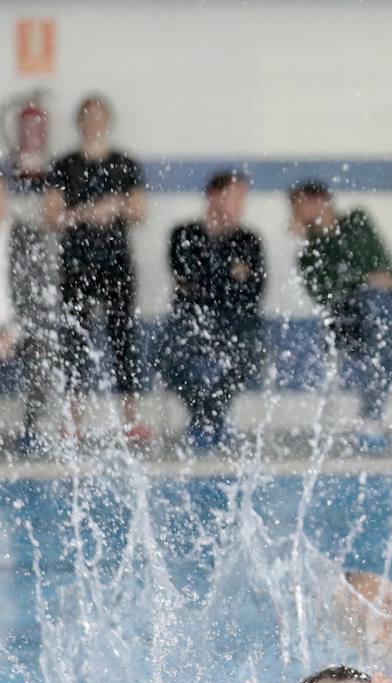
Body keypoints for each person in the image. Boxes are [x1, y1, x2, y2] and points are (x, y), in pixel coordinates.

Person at [42, 95, 150, 444]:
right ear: (79, 122)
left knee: (123, 340)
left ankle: (131, 420)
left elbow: (139, 212)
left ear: (108, 121)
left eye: (99, 116)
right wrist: (89, 212)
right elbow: (51, 217)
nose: (94, 122)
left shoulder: (125, 164)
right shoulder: (64, 165)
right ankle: (74, 421)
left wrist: (116, 206)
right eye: (88, 116)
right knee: (75, 340)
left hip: (116, 264)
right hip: (76, 265)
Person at [289, 181, 392, 453]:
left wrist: (359, 279)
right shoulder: (307, 254)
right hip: (348, 323)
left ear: (324, 201)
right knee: (375, 309)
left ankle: (371, 419)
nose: (303, 212)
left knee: (378, 316)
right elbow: (324, 291)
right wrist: (317, 239)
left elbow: (369, 259)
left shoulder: (357, 221)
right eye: (298, 208)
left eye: (306, 204)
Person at [165, 171, 265, 451]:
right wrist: (231, 276)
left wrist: (208, 280)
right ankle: (209, 416)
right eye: (234, 197)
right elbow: (184, 279)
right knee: (167, 355)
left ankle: (206, 416)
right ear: (213, 196)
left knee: (251, 355)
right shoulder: (184, 234)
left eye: (242, 199)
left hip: (236, 322)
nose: (240, 205)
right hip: (191, 319)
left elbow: (253, 293)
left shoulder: (249, 240)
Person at [0, 174, 62, 456]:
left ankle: (34, 429)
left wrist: (14, 332)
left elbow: (40, 296)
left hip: (19, 328)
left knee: (43, 349)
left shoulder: (28, 237)